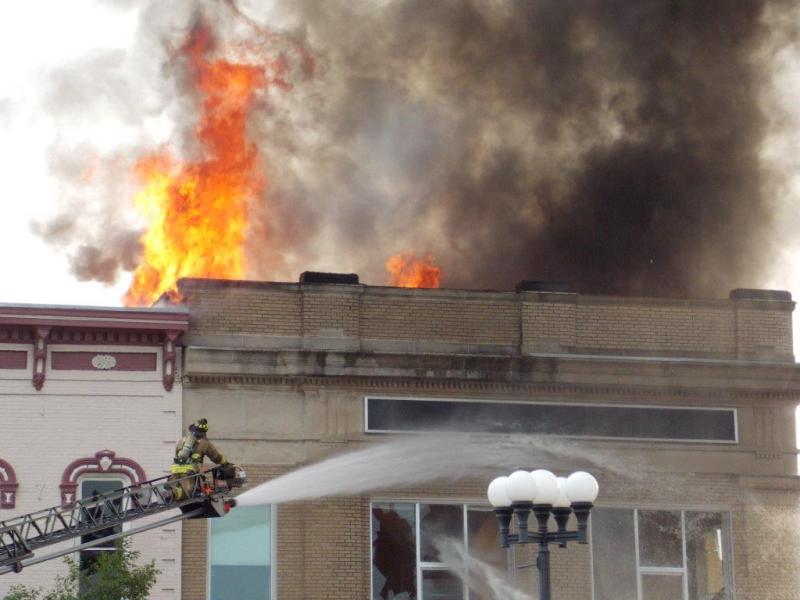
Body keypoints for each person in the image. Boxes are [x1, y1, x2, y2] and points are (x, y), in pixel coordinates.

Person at [168, 418, 227, 501]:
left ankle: (170, 492)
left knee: (178, 488)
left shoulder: (181, 440)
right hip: (190, 473)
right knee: (188, 493)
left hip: (174, 470)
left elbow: (177, 455)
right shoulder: (205, 443)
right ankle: (173, 493)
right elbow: (216, 457)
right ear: (204, 432)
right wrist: (224, 462)